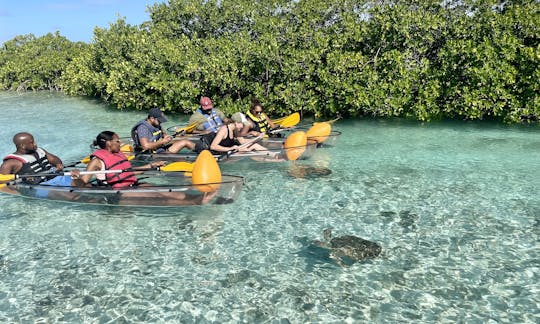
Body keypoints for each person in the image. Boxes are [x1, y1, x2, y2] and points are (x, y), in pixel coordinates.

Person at [71, 131, 214, 204]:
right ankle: (195, 202)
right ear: (108, 143)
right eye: (117, 140)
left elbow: (127, 172)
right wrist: (76, 177)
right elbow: (81, 184)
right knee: (158, 199)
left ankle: (197, 197)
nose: (119, 143)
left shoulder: (118, 154)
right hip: (118, 193)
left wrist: (150, 165)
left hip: (133, 185)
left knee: (165, 191)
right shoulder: (97, 161)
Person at [0, 132, 72, 186]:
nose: (35, 144)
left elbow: (53, 159)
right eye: (32, 142)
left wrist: (58, 164)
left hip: (56, 177)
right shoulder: (11, 162)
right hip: (42, 186)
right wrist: (23, 179)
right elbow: (2, 180)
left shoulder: (40, 151)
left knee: (81, 177)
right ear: (22, 146)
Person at [132, 108, 196, 153]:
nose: (161, 122)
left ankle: (202, 152)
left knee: (185, 141)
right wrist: (162, 142)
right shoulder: (143, 128)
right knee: (184, 146)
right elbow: (145, 146)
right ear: (152, 118)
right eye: (159, 120)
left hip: (160, 148)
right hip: (151, 153)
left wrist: (167, 137)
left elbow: (164, 134)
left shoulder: (156, 124)